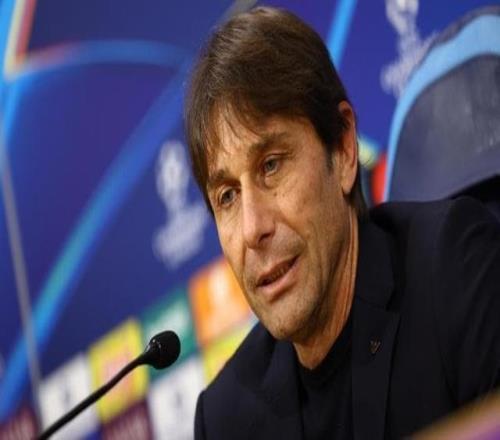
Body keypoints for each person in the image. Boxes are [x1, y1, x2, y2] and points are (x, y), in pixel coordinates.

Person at [184, 6, 500, 439]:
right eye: (227, 196)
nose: (253, 228)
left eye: (271, 165)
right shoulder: (224, 420)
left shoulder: (453, 271)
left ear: (344, 150)